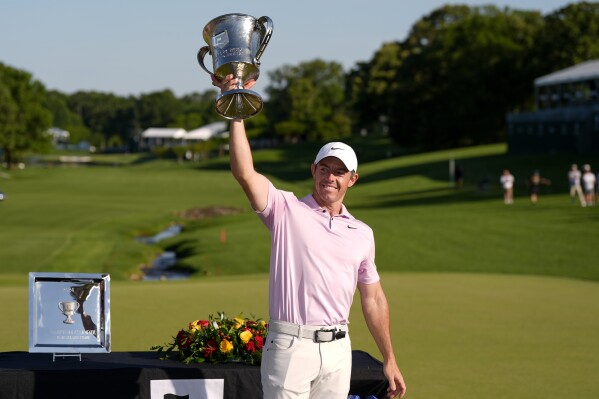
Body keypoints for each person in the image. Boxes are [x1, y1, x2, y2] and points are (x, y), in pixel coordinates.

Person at [212, 74, 406, 399]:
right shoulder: (286, 209)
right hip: (290, 346)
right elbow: (244, 173)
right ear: (313, 170)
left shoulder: (361, 233)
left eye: (339, 171)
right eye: (324, 168)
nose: (330, 177)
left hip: (339, 350)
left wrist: (389, 358)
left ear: (352, 179)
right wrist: (235, 109)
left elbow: (373, 299)